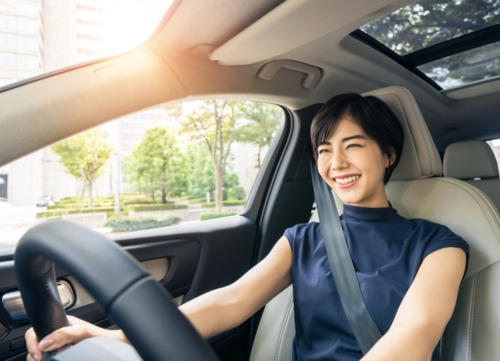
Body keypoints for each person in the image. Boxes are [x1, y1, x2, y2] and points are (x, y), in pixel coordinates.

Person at [25, 93, 469, 361]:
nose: (337, 164)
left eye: (354, 145)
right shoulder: (304, 238)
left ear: (388, 154)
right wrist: (114, 335)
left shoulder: (438, 244)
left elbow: (414, 338)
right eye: (324, 150)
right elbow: (231, 302)